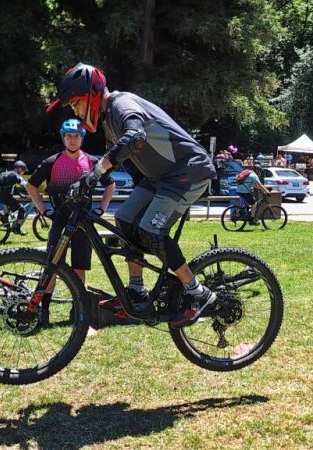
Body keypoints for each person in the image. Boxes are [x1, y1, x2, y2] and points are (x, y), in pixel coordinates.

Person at [46, 62, 218, 327]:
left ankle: (198, 293)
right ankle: (136, 290)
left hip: (187, 172)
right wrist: (88, 179)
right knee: (125, 219)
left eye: (76, 104)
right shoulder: (108, 121)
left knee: (151, 230)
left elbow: (135, 137)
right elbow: (114, 160)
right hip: (160, 178)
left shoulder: (121, 104)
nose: (77, 112)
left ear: (92, 95)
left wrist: (97, 172)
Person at [26, 118, 115, 326]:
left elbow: (110, 185)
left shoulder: (93, 162)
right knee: (51, 267)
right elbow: (31, 185)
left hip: (83, 224)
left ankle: (77, 311)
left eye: (76, 136)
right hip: (60, 221)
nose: (73, 140)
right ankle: (44, 311)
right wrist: (43, 209)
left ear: (82, 138)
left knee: (79, 268)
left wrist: (102, 209)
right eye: (69, 136)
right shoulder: (52, 162)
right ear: (63, 138)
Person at [0, 160, 29, 235]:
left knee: (11, 209)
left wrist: (20, 194)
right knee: (21, 210)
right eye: (23, 171)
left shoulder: (7, 173)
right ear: (19, 169)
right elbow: (26, 186)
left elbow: (11, 187)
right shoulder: (15, 175)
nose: (23, 173)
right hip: (7, 197)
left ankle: (4, 219)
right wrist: (34, 193)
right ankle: (17, 229)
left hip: (0, 196)